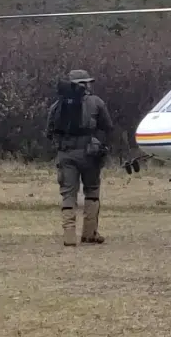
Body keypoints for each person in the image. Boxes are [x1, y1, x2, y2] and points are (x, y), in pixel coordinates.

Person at [46, 69, 114, 247]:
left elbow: (49, 131)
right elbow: (107, 126)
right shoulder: (96, 102)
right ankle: (89, 233)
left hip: (66, 153)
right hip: (89, 153)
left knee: (68, 193)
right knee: (92, 191)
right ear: (84, 85)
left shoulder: (57, 105)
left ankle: (69, 236)